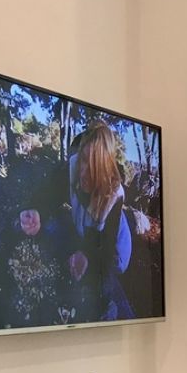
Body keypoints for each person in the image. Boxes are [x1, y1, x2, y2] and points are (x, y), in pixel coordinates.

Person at [66, 123, 134, 320]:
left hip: (116, 252)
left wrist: (86, 255)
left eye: (92, 166)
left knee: (105, 287)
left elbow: (106, 249)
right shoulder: (73, 166)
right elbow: (49, 190)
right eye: (83, 160)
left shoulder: (114, 194)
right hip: (91, 232)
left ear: (104, 168)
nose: (83, 172)